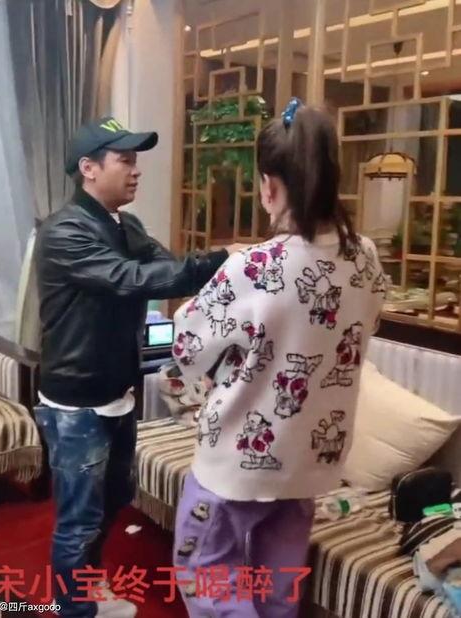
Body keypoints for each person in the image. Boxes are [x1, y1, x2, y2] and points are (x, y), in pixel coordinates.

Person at [171, 100, 386, 617]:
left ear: (269, 186)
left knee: (208, 578)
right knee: (276, 588)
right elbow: (365, 326)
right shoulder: (365, 257)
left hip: (236, 464)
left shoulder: (253, 266)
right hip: (309, 464)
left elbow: (187, 346)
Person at [34, 117, 245, 618]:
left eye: (136, 161)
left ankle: (86, 585)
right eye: (124, 160)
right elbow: (130, 278)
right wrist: (222, 258)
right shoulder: (64, 231)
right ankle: (73, 609)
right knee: (79, 521)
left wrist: (231, 268)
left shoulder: (125, 226)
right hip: (77, 402)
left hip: (118, 391)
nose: (136, 170)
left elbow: (165, 268)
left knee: (115, 498)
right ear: (89, 168)